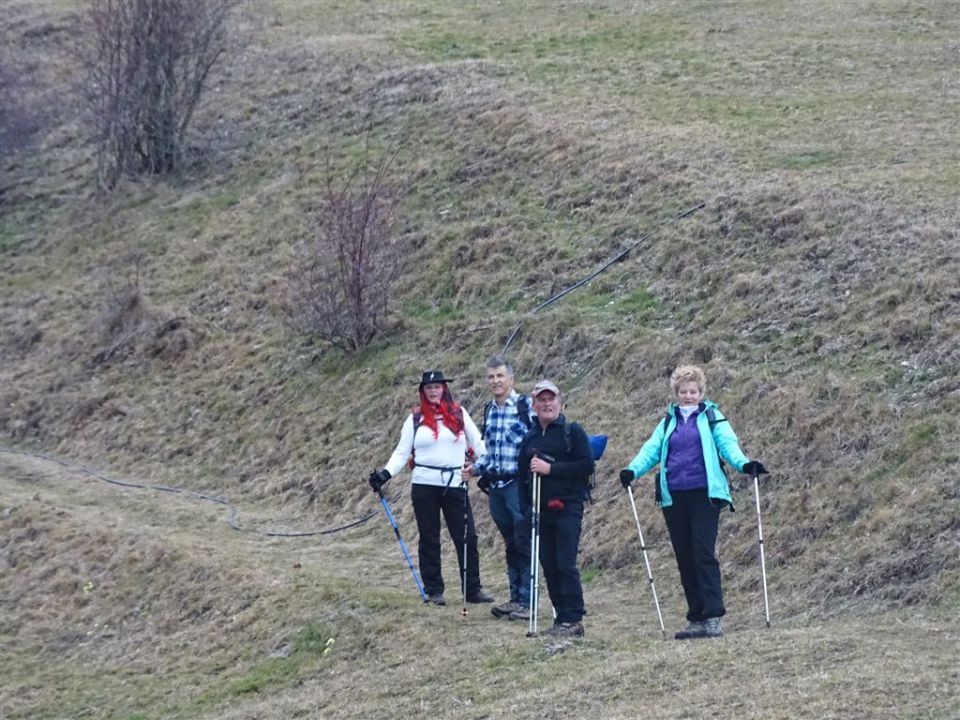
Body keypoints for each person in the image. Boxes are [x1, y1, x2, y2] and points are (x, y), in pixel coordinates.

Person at [619, 365, 768, 640]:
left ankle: (712, 617)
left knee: (702, 552)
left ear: (701, 392)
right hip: (673, 496)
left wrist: (745, 465)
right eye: (683, 391)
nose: (688, 396)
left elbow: (728, 445)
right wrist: (632, 470)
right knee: (684, 556)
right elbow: (651, 450)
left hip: (704, 494)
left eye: (693, 391)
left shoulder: (712, 417)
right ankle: (696, 617)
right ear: (676, 393)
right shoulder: (668, 422)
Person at [369, 370, 495, 607]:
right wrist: (385, 474)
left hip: (455, 483)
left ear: (444, 389)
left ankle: (473, 589)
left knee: (467, 536)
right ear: (423, 391)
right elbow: (402, 452)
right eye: (429, 387)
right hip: (424, 485)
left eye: (438, 386)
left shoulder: (459, 414)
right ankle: (434, 590)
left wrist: (485, 466)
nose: (434, 390)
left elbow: (478, 443)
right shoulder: (415, 419)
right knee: (429, 538)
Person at [517, 379, 595, 637]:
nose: (547, 404)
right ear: (534, 404)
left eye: (551, 399)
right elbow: (522, 474)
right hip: (540, 509)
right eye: (542, 400)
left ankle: (574, 619)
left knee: (565, 562)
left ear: (560, 403)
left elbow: (586, 465)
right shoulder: (529, 436)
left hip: (568, 506)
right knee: (548, 563)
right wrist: (525, 507)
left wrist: (551, 469)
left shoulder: (572, 431)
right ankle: (560, 617)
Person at [464, 356, 535, 621]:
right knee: (510, 543)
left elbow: (540, 439)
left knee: (524, 541)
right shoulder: (489, 411)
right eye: (491, 377)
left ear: (511, 379)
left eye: (500, 376)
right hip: (496, 487)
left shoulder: (526, 406)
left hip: (519, 486)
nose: (496, 381)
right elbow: (491, 452)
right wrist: (475, 468)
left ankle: (528, 601)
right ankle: (515, 597)